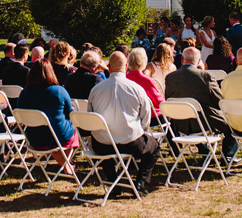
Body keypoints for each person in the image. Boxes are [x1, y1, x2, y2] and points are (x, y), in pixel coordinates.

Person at [87, 52, 159, 195]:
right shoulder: (136, 89)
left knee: (100, 143)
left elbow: (91, 117)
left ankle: (113, 181)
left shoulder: (96, 90)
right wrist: (139, 131)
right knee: (155, 147)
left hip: (103, 145)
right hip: (131, 142)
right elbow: (146, 118)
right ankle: (141, 182)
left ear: (108, 67)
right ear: (126, 67)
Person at [164, 47, 238, 161]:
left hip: (179, 123)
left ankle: (204, 151)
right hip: (205, 122)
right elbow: (219, 101)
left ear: (182, 59)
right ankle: (228, 156)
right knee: (232, 125)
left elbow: (168, 98)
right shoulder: (205, 77)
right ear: (199, 61)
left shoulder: (170, 77)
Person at [17, 59, 78, 176]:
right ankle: (66, 163)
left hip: (34, 137)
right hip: (56, 136)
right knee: (73, 131)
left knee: (54, 132)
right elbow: (69, 110)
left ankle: (65, 164)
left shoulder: (24, 93)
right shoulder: (59, 91)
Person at [125, 48, 163, 121]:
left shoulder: (124, 78)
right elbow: (160, 103)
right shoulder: (148, 81)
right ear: (144, 62)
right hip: (148, 118)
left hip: (129, 116)